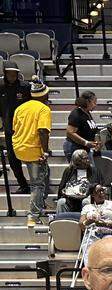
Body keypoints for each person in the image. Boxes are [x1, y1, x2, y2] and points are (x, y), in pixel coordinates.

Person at [12, 77, 52, 227]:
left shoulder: (20, 107)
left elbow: (15, 128)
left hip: (19, 147)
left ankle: (40, 204)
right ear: (43, 96)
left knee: (45, 172)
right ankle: (33, 216)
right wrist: (45, 151)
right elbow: (42, 131)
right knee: (37, 184)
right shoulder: (44, 109)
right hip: (33, 150)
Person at [0, 61, 31, 194]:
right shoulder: (0, 87)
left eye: (15, 73)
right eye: (10, 73)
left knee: (32, 158)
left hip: (25, 128)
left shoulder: (25, 87)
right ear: (5, 73)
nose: (13, 76)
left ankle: (38, 185)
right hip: (9, 129)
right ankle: (23, 185)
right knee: (12, 160)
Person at [64, 91, 100, 159]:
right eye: (94, 102)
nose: (95, 105)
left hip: (84, 149)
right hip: (75, 148)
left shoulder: (87, 113)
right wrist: (86, 143)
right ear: (88, 102)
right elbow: (70, 132)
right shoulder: (76, 114)